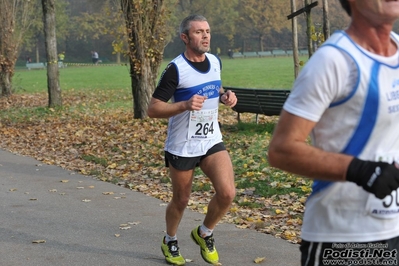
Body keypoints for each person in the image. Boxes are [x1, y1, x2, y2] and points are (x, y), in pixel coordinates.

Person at [268, 1, 399, 265]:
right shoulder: (333, 60)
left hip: (394, 229)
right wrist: (362, 171)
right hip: (344, 235)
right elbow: (281, 149)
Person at [147, 14, 237, 265]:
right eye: (199, 32)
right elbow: (153, 109)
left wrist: (225, 96)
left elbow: (214, 87)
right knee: (182, 199)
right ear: (185, 38)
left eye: (207, 31)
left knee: (227, 192)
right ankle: (170, 240)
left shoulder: (215, 61)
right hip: (183, 144)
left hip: (210, 140)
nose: (206, 36)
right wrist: (184, 105)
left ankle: (204, 232)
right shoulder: (176, 69)